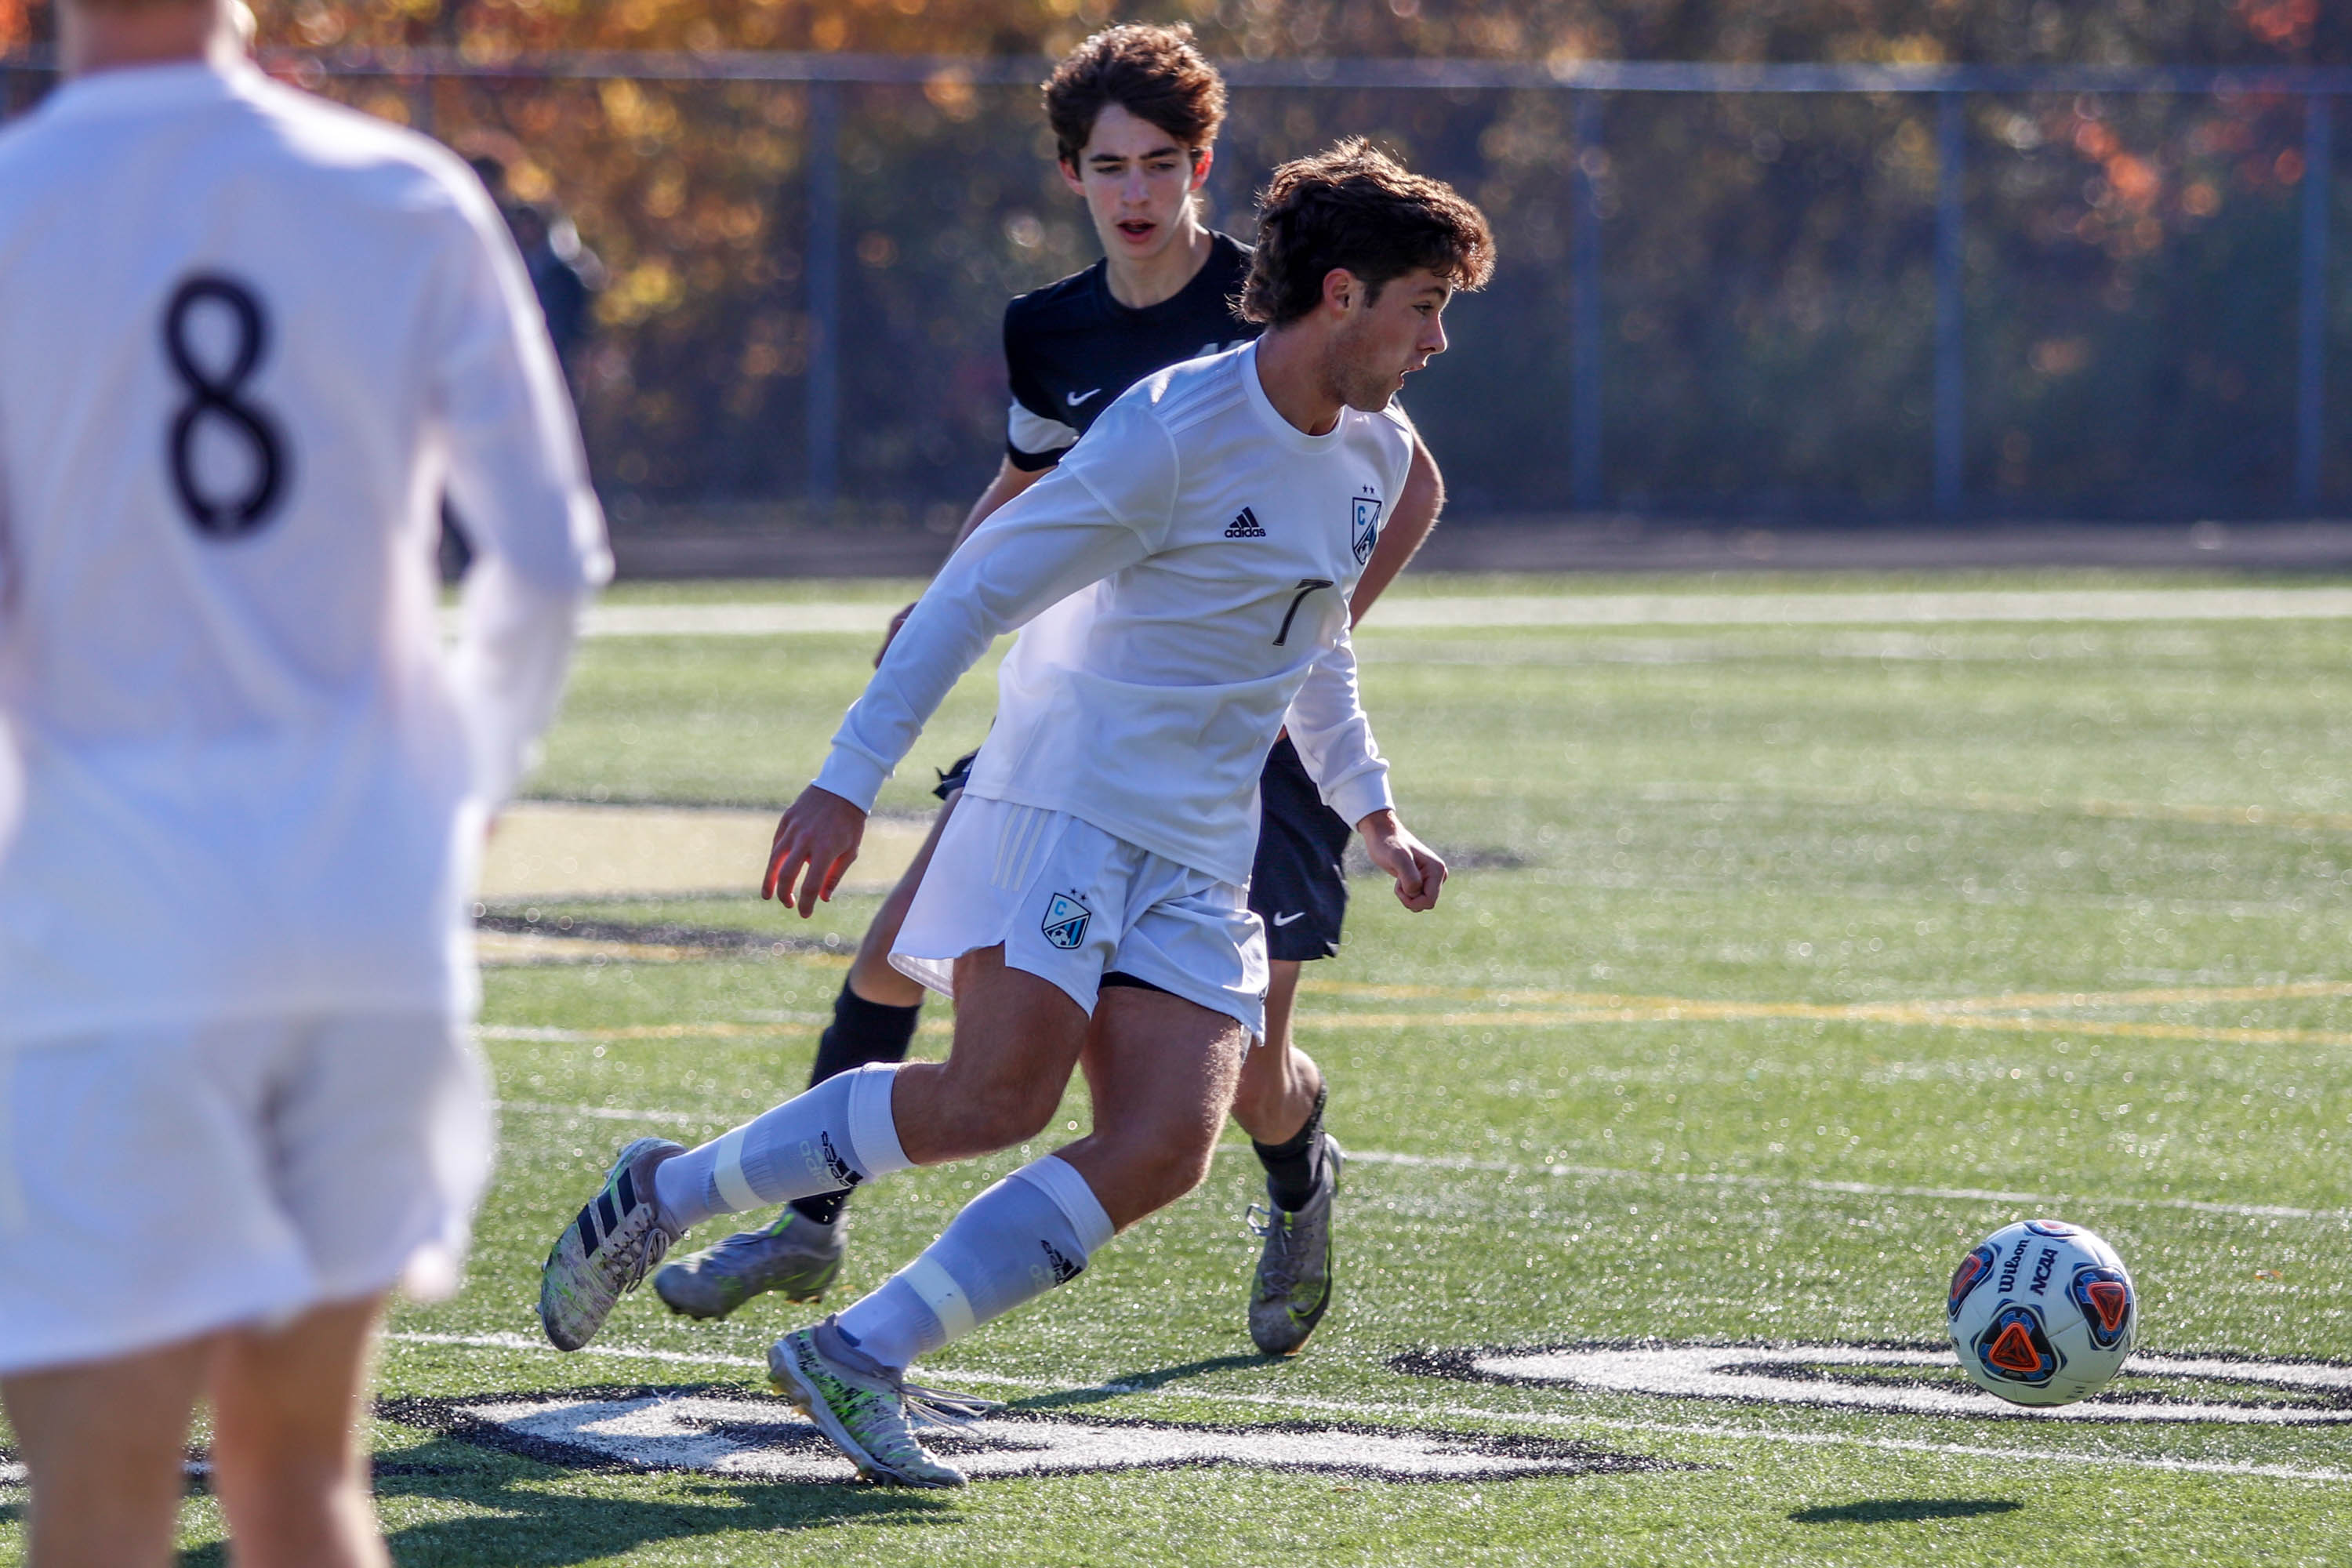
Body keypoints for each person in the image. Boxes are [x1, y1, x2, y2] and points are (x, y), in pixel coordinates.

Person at [540, 138, 1492, 1486]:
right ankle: (668, 1193)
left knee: (1168, 1144)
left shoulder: (1379, 459)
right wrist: (843, 781)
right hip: (1065, 802)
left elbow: (1314, 643)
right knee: (997, 1096)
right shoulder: (1173, 428)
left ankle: (857, 1355)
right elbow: (978, 588)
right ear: (1341, 295)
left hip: (1200, 841)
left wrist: (1371, 810)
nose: (1437, 339)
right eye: (1424, 306)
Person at [0, 0, 609, 1562]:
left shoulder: (21, 207)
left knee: (101, 1485)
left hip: (111, 922)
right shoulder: (402, 195)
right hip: (363, 920)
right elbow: (543, 563)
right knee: (300, 1476)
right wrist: (455, 795)